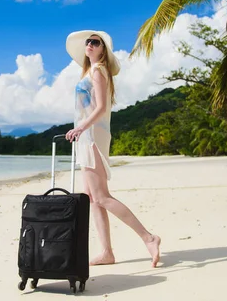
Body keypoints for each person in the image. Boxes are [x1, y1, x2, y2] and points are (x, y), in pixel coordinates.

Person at [64, 30, 161, 267]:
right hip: (88, 137)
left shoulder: (98, 71)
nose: (89, 44)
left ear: (102, 50)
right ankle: (107, 252)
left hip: (92, 136)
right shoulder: (90, 71)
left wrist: (80, 128)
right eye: (88, 41)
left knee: (101, 196)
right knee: (91, 198)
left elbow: (99, 108)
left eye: (95, 42)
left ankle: (149, 238)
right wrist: (81, 130)